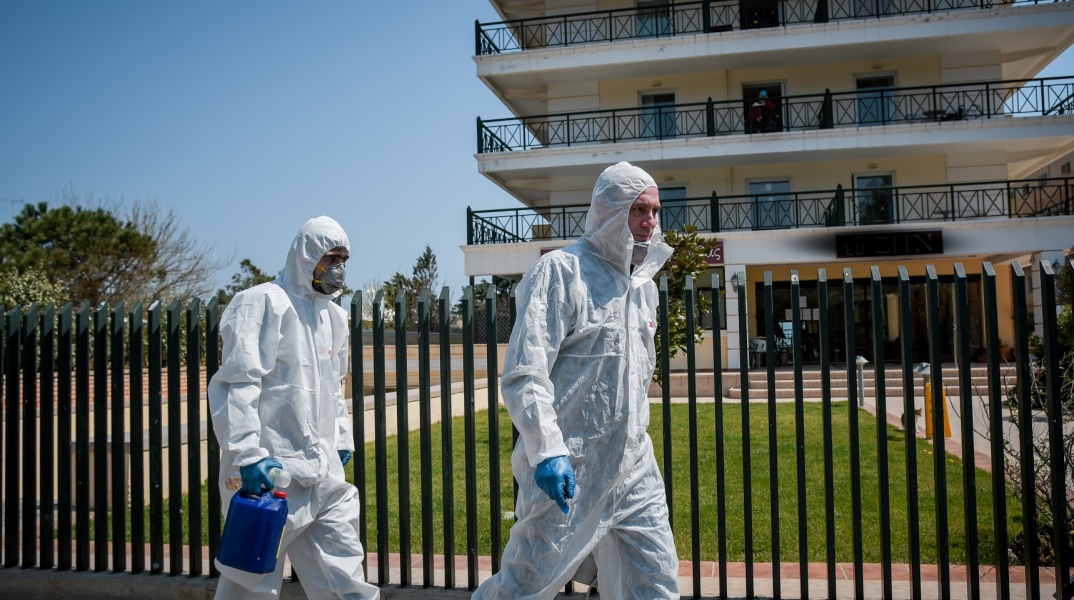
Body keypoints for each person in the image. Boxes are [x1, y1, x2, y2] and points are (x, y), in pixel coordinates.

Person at [472, 162, 680, 599]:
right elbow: (525, 373)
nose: (651, 220)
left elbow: (634, 378)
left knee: (657, 581)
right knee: (526, 584)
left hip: (634, 468)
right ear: (610, 209)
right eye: (639, 209)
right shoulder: (562, 272)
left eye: (656, 210)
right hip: (572, 468)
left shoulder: (643, 287)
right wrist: (547, 450)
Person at [209, 216, 378, 600]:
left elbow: (334, 388)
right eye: (330, 258)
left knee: (345, 579)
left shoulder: (333, 316)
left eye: (343, 258)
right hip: (270, 474)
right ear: (306, 258)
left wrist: (341, 438)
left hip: (323, 474)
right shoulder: (261, 302)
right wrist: (247, 454)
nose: (338, 268)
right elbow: (239, 383)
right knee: (250, 584)